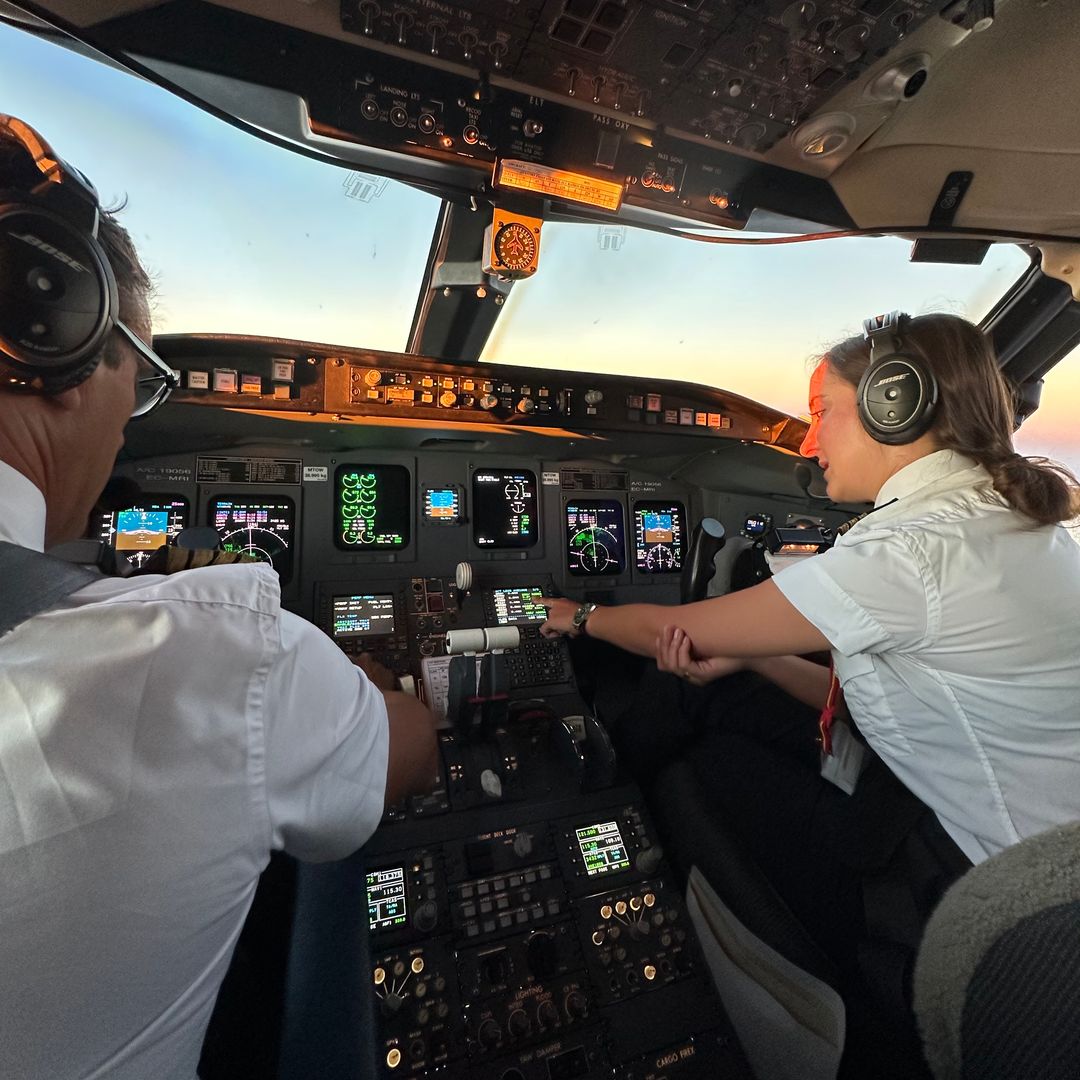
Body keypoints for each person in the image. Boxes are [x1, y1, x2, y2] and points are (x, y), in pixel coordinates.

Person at [0, 117, 438, 1078]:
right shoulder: (208, 650)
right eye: (144, 382)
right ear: (61, 330)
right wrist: (361, 681)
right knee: (325, 854)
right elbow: (411, 746)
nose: (125, 431)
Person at [541, 312, 1080, 1003]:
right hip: (994, 823)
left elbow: (672, 632)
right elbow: (914, 700)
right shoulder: (1013, 517)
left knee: (701, 763)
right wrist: (756, 659)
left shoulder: (908, 552)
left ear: (895, 406)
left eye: (823, 413)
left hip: (987, 887)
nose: (810, 441)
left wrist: (576, 616)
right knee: (721, 691)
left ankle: (602, 813)